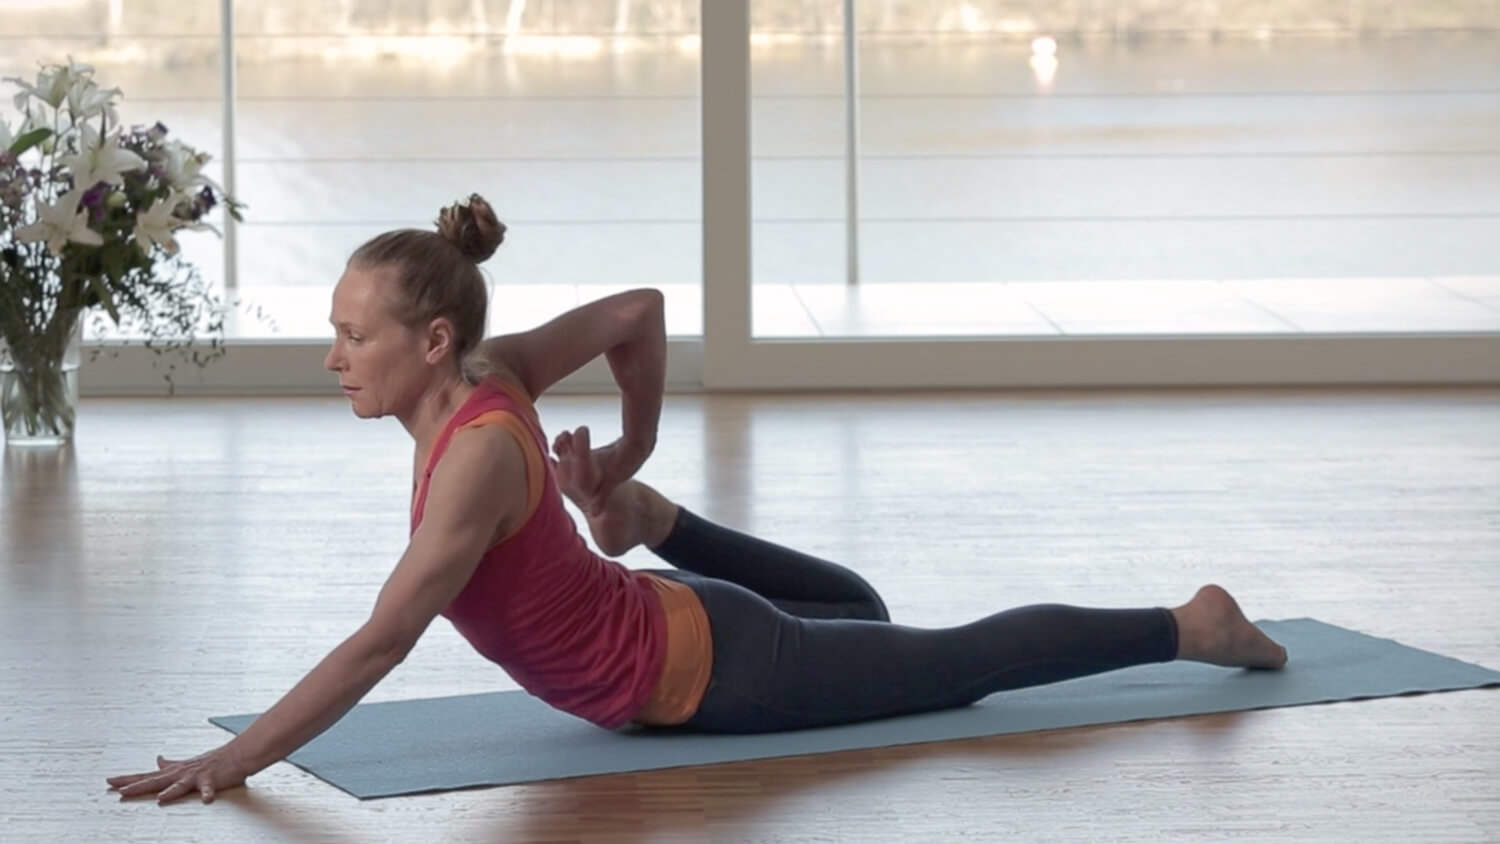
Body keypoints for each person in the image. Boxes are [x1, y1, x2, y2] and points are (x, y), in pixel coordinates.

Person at [106, 193, 1288, 806]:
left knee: (953, 665)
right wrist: (629, 453)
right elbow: (637, 313)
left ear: (431, 339)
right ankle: (658, 519)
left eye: (351, 337)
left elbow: (382, 642)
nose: (334, 359)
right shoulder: (490, 371)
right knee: (868, 613)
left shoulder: (476, 453)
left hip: (718, 669)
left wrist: (242, 758)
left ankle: (1189, 623)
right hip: (688, 611)